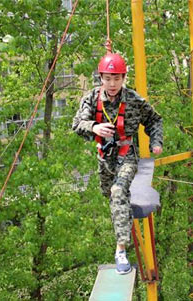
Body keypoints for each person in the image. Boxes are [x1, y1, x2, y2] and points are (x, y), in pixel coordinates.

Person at [72, 53, 163, 274]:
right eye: (107, 78)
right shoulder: (91, 98)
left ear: (123, 79)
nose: (112, 84)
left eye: (117, 79)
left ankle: (121, 249)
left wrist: (156, 141)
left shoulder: (133, 100)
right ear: (101, 78)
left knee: (118, 191)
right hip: (104, 156)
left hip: (126, 155)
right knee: (110, 195)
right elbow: (76, 123)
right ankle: (122, 211)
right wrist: (94, 127)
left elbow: (154, 119)